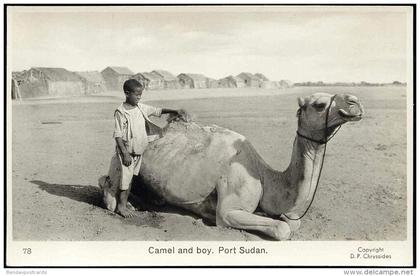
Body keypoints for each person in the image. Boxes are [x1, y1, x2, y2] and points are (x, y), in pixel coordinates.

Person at [108, 79, 185, 217]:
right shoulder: (121, 112)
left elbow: (157, 111)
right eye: (137, 94)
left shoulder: (140, 107)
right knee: (126, 180)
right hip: (128, 152)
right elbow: (118, 135)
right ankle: (121, 206)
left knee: (130, 179)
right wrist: (124, 153)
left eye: (140, 94)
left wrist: (175, 110)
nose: (139, 97)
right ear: (127, 93)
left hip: (138, 151)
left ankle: (127, 201)